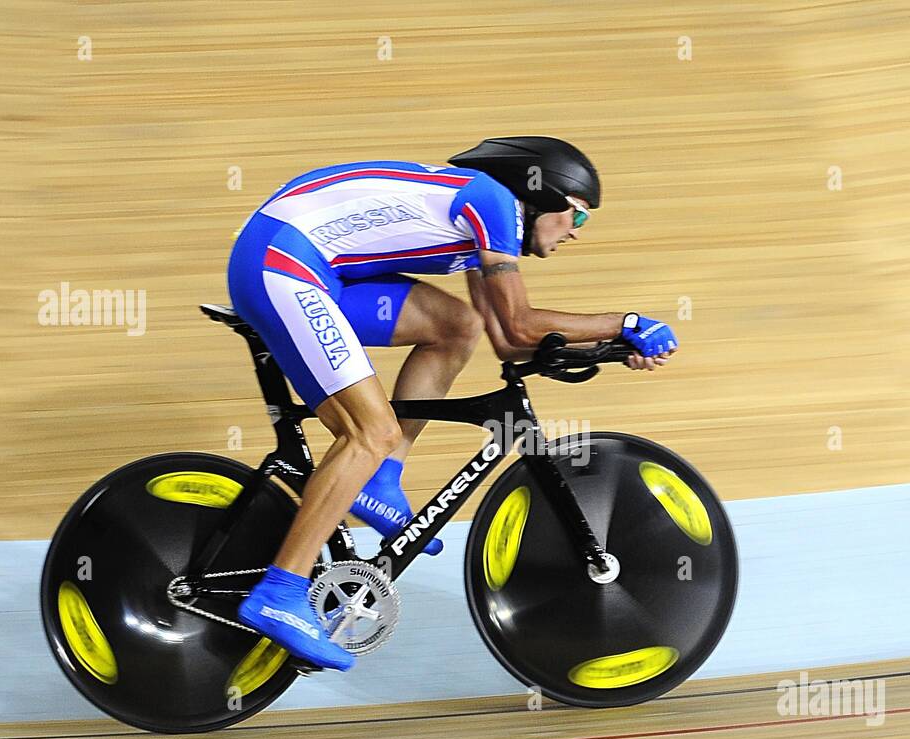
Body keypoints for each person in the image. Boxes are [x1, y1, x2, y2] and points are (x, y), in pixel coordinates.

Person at [227, 136, 679, 671]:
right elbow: (520, 323)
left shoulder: (481, 223)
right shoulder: (491, 201)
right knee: (370, 432)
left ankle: (379, 480)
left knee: (455, 326)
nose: (575, 235)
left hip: (309, 267)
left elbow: (504, 340)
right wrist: (625, 323)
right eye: (578, 219)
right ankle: (280, 592)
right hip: (282, 265)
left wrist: (607, 347)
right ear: (546, 197)